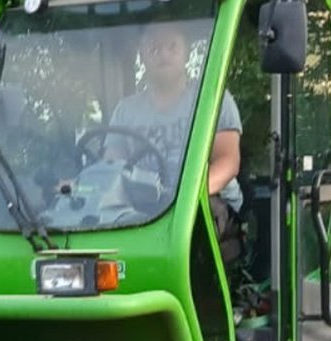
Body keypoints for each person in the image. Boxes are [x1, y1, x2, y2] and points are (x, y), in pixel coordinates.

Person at [104, 21, 244, 266]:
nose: (164, 54)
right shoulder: (126, 111)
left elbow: (228, 162)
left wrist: (187, 196)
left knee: (192, 235)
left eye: (172, 46)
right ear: (143, 55)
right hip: (144, 202)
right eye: (155, 49)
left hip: (206, 201)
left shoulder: (213, 99)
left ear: (186, 52)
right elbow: (112, 165)